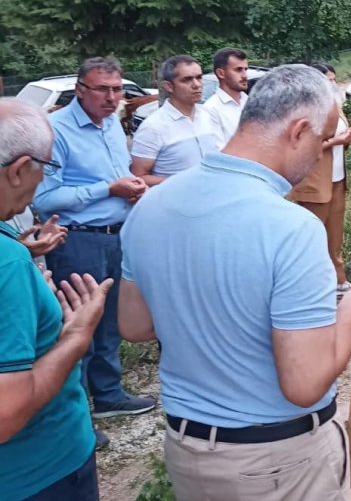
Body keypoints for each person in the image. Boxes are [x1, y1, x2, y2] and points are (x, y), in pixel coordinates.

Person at [118, 65, 351, 501]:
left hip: (188, 451)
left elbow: (135, 327)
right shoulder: (291, 228)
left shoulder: (151, 206)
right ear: (298, 130)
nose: (322, 150)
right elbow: (304, 385)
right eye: (322, 138)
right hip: (276, 462)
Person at [32, 57, 156, 438]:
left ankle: (108, 395)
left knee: (110, 322)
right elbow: (45, 199)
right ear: (81, 90)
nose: (112, 97)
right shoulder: (56, 131)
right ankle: (76, 414)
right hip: (77, 239)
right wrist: (108, 189)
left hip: (117, 234)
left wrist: (133, 189)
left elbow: (119, 177)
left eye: (117, 89)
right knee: (77, 325)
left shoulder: (111, 125)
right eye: (102, 89)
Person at [1, 97, 113, 501]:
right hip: (36, 475)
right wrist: (76, 337)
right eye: (45, 169)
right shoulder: (6, 263)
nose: (41, 184)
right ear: (17, 170)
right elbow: (6, 413)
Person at [290, 63, 351, 292]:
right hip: (315, 181)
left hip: (337, 177)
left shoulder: (334, 105)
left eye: (334, 79)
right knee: (314, 236)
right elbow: (304, 146)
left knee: (335, 233)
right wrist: (336, 141)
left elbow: (339, 136)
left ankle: (339, 279)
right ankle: (313, 286)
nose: (332, 83)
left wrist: (347, 139)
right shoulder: (304, 109)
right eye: (327, 80)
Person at [130, 55, 217, 185]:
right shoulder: (153, 127)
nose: (197, 85)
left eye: (199, 77)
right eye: (187, 79)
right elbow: (138, 177)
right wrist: (179, 182)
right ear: (169, 86)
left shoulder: (208, 115)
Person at [203, 47, 250, 149]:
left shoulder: (249, 102)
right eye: (238, 70)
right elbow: (219, 153)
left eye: (245, 69)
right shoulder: (211, 110)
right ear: (221, 73)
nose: (245, 76)